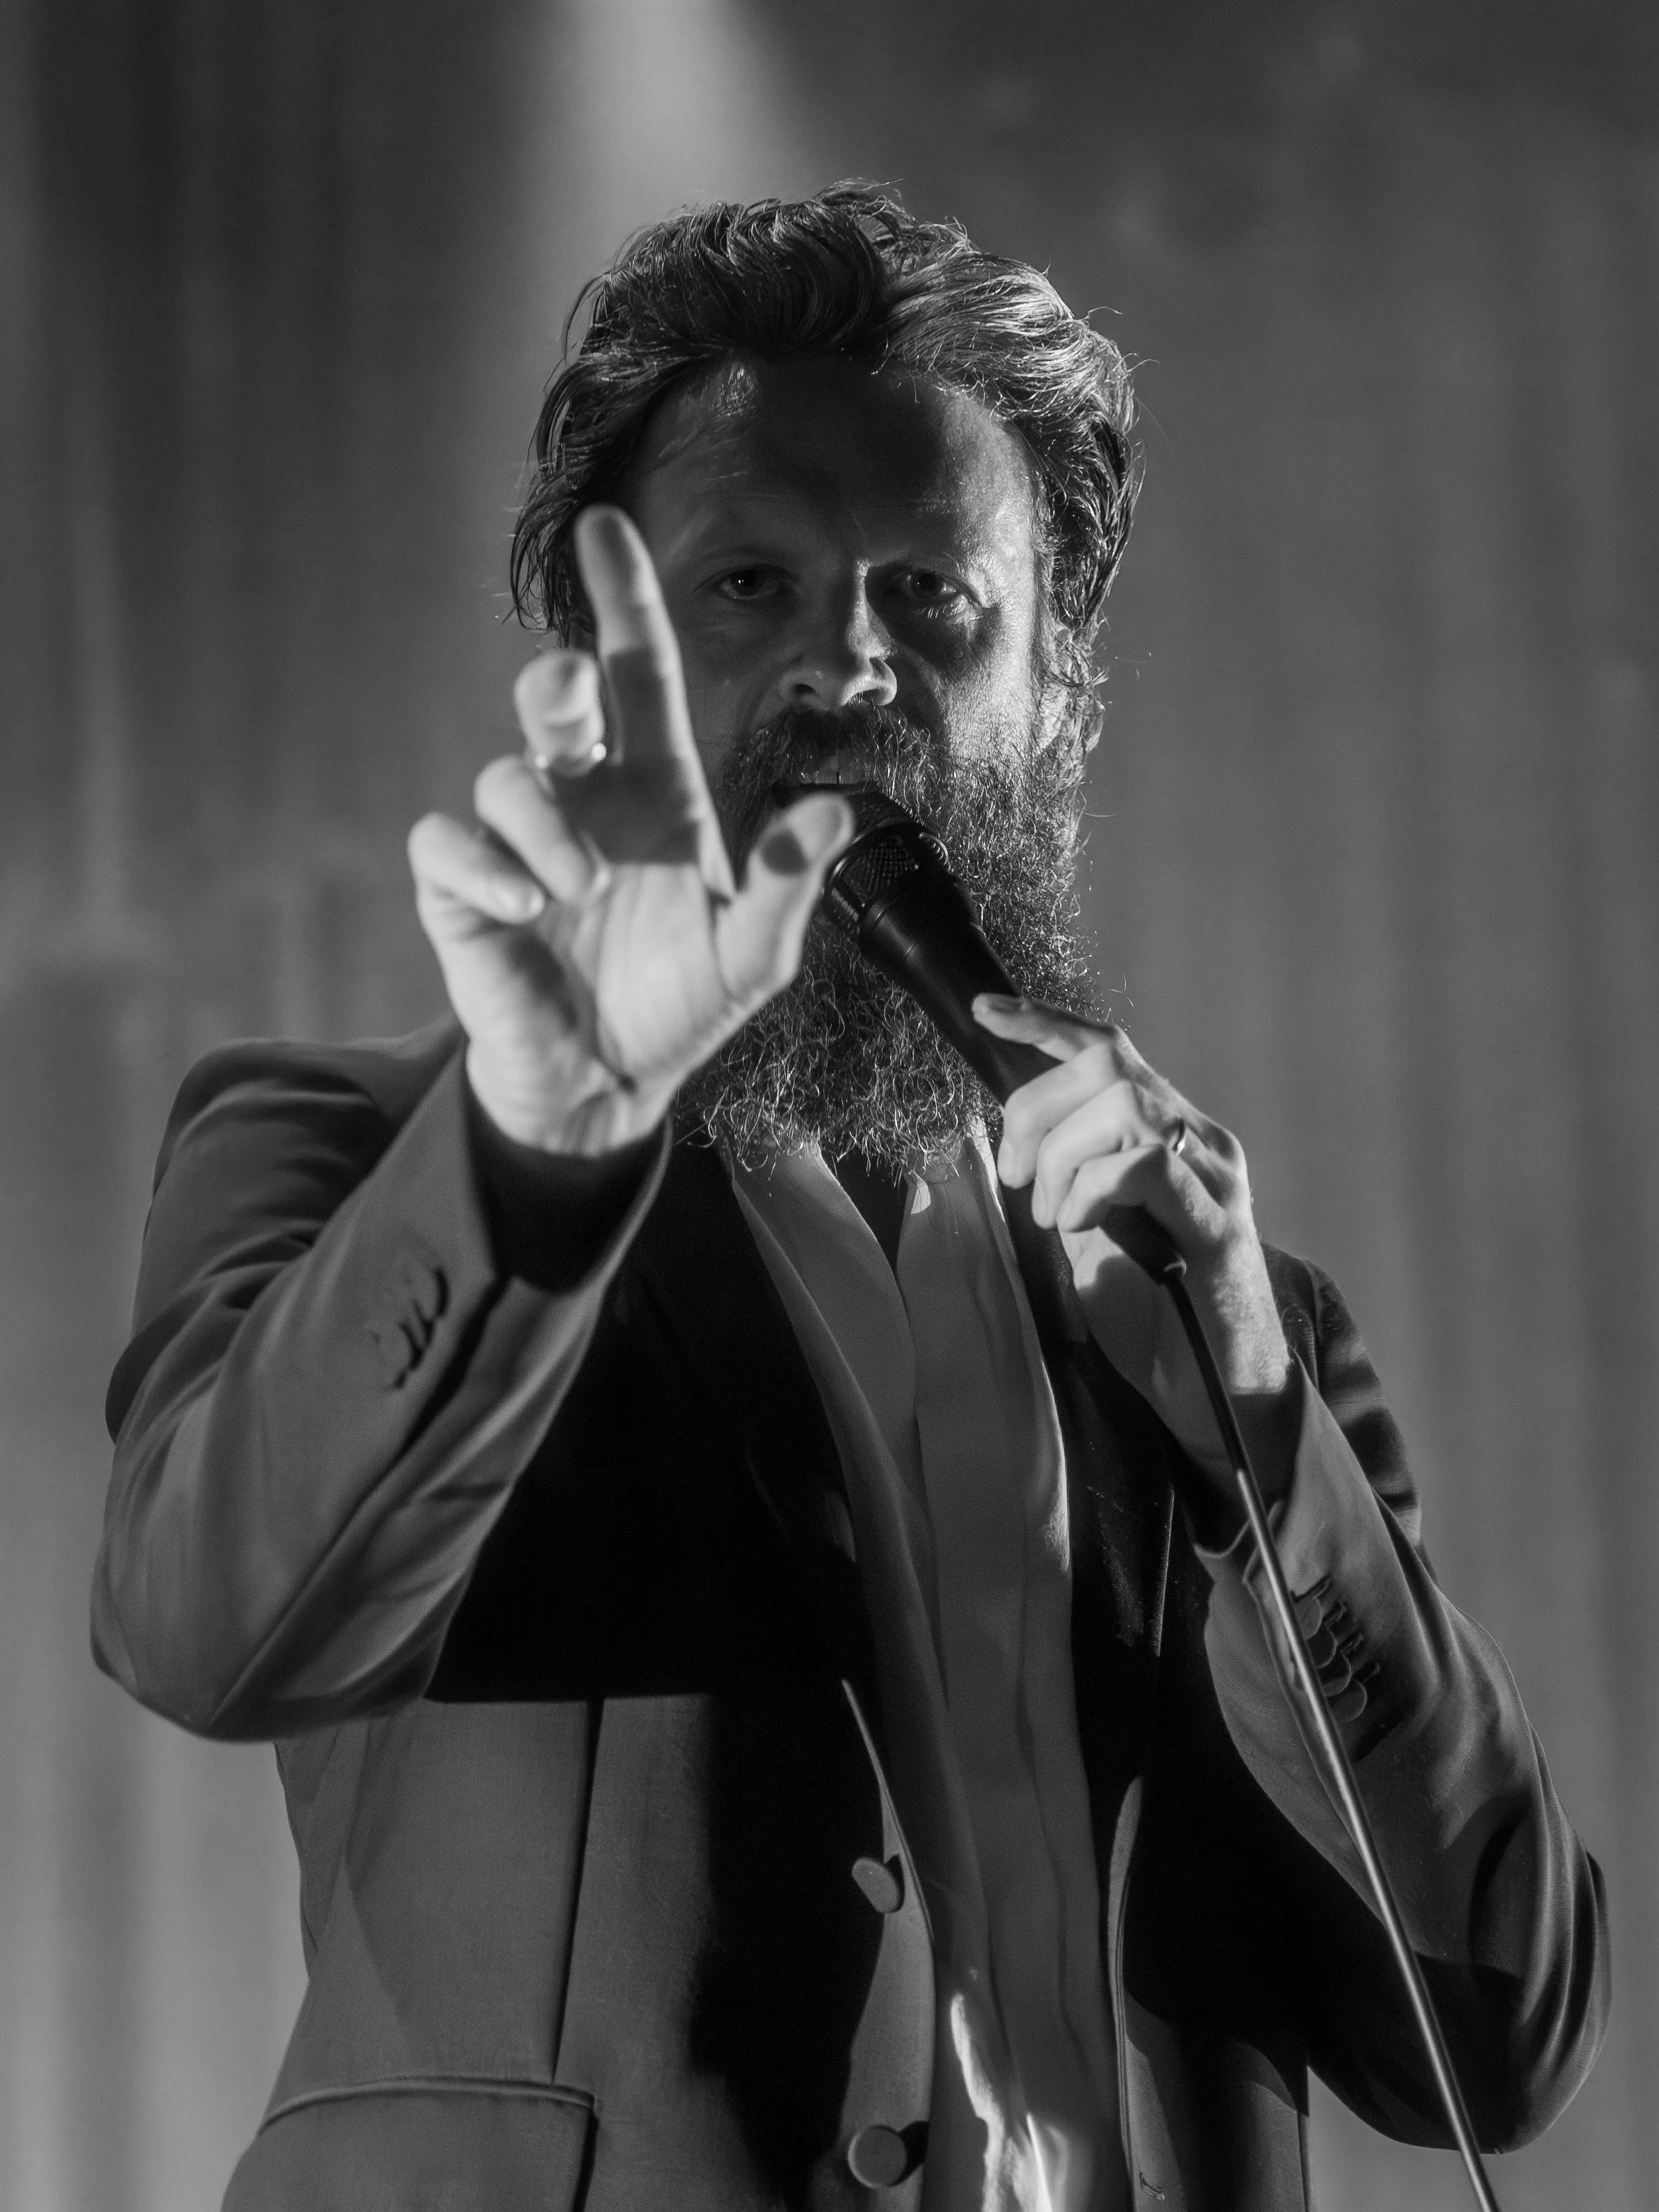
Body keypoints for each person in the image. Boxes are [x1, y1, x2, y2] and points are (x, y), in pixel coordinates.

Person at [92, 185, 1608, 2212]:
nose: (850, 663)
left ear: (1055, 693)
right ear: (602, 670)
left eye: (933, 596)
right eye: (744, 587)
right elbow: (205, 1626)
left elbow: (1497, 2039)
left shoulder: (1230, 1313)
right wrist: (540, 1149)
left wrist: (1256, 1428)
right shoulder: (364, 1154)